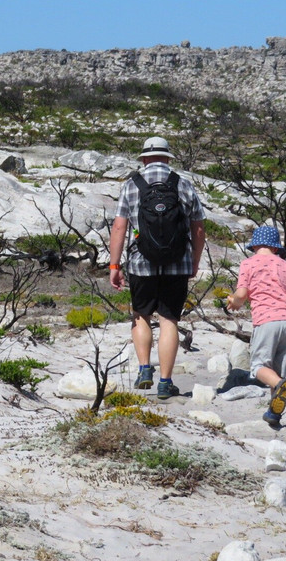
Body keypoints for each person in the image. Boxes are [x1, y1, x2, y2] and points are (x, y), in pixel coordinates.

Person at [109, 136, 206, 400]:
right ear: (167, 158)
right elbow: (198, 228)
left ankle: (143, 369)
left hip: (142, 262)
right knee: (169, 320)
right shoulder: (183, 184)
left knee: (141, 314)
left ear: (143, 159)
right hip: (177, 263)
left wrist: (115, 265)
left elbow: (120, 227)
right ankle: (165, 382)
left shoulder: (132, 185)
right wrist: (194, 261)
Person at [225, 225, 286, 428]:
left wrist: (234, 301)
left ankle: (279, 386)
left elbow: (242, 295)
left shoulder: (248, 264)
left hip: (266, 320)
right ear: (275, 248)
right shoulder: (285, 265)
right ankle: (274, 412)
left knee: (259, 367)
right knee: (277, 368)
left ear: (254, 247)